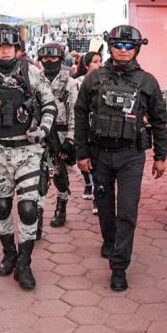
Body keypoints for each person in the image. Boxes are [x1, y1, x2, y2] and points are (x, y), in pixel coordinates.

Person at [0, 24, 57, 291]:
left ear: (17, 48)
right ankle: (9, 253)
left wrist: (44, 129)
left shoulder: (33, 73)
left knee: (28, 208)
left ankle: (24, 262)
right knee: (2, 207)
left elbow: (49, 104)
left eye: (10, 45)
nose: (5, 50)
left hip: (28, 151)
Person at [75, 25, 167, 292]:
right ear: (110, 47)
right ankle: (109, 240)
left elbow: (160, 121)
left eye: (129, 46)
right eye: (118, 45)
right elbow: (80, 115)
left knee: (127, 211)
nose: (123, 50)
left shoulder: (147, 81)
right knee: (104, 206)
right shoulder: (93, 79)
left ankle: (119, 266)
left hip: (131, 157)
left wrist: (161, 156)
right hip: (99, 155)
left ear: (137, 49)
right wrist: (81, 153)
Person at [37, 42, 78, 230]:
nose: (49, 61)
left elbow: (74, 113)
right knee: (38, 176)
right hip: (38, 134)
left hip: (60, 134)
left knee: (59, 175)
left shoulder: (69, 82)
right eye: (45, 58)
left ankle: (61, 206)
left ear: (61, 59)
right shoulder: (34, 79)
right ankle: (36, 214)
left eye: (53, 58)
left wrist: (71, 140)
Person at [73, 51, 103, 213]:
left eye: (100, 61)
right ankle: (89, 185)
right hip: (82, 125)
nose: (99, 65)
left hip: (98, 128)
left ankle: (96, 195)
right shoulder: (78, 82)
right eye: (95, 62)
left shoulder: (105, 80)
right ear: (86, 65)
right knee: (84, 158)